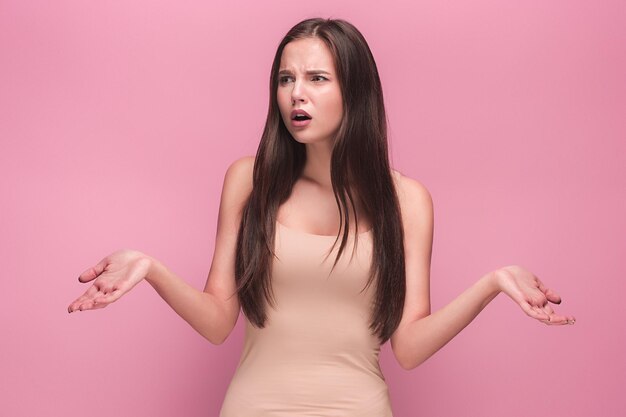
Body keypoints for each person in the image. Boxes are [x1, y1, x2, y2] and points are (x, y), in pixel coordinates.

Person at [67, 17, 575, 416]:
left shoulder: (408, 200)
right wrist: (149, 268)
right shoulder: (249, 180)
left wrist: (493, 284)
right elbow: (219, 321)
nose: (296, 94)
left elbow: (410, 347)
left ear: (353, 91)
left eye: (316, 78)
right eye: (286, 79)